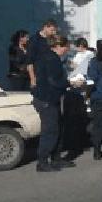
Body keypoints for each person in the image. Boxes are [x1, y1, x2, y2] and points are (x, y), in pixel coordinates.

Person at [32, 35, 82, 172]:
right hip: (47, 99)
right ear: (58, 46)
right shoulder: (52, 59)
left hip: (47, 98)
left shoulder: (47, 57)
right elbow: (54, 81)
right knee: (50, 131)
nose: (67, 49)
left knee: (58, 129)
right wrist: (70, 83)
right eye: (66, 46)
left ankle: (56, 159)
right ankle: (42, 162)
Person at [60, 38, 95, 161]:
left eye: (77, 46)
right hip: (77, 87)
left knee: (78, 119)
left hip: (80, 88)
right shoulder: (84, 55)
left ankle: (77, 143)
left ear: (81, 46)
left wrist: (73, 67)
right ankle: (78, 142)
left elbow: (81, 71)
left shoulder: (87, 55)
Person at [26, 19, 59, 94]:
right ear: (45, 27)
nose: (54, 32)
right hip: (39, 76)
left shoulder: (52, 39)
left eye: (54, 31)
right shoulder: (34, 40)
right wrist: (33, 79)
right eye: (52, 30)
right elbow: (29, 61)